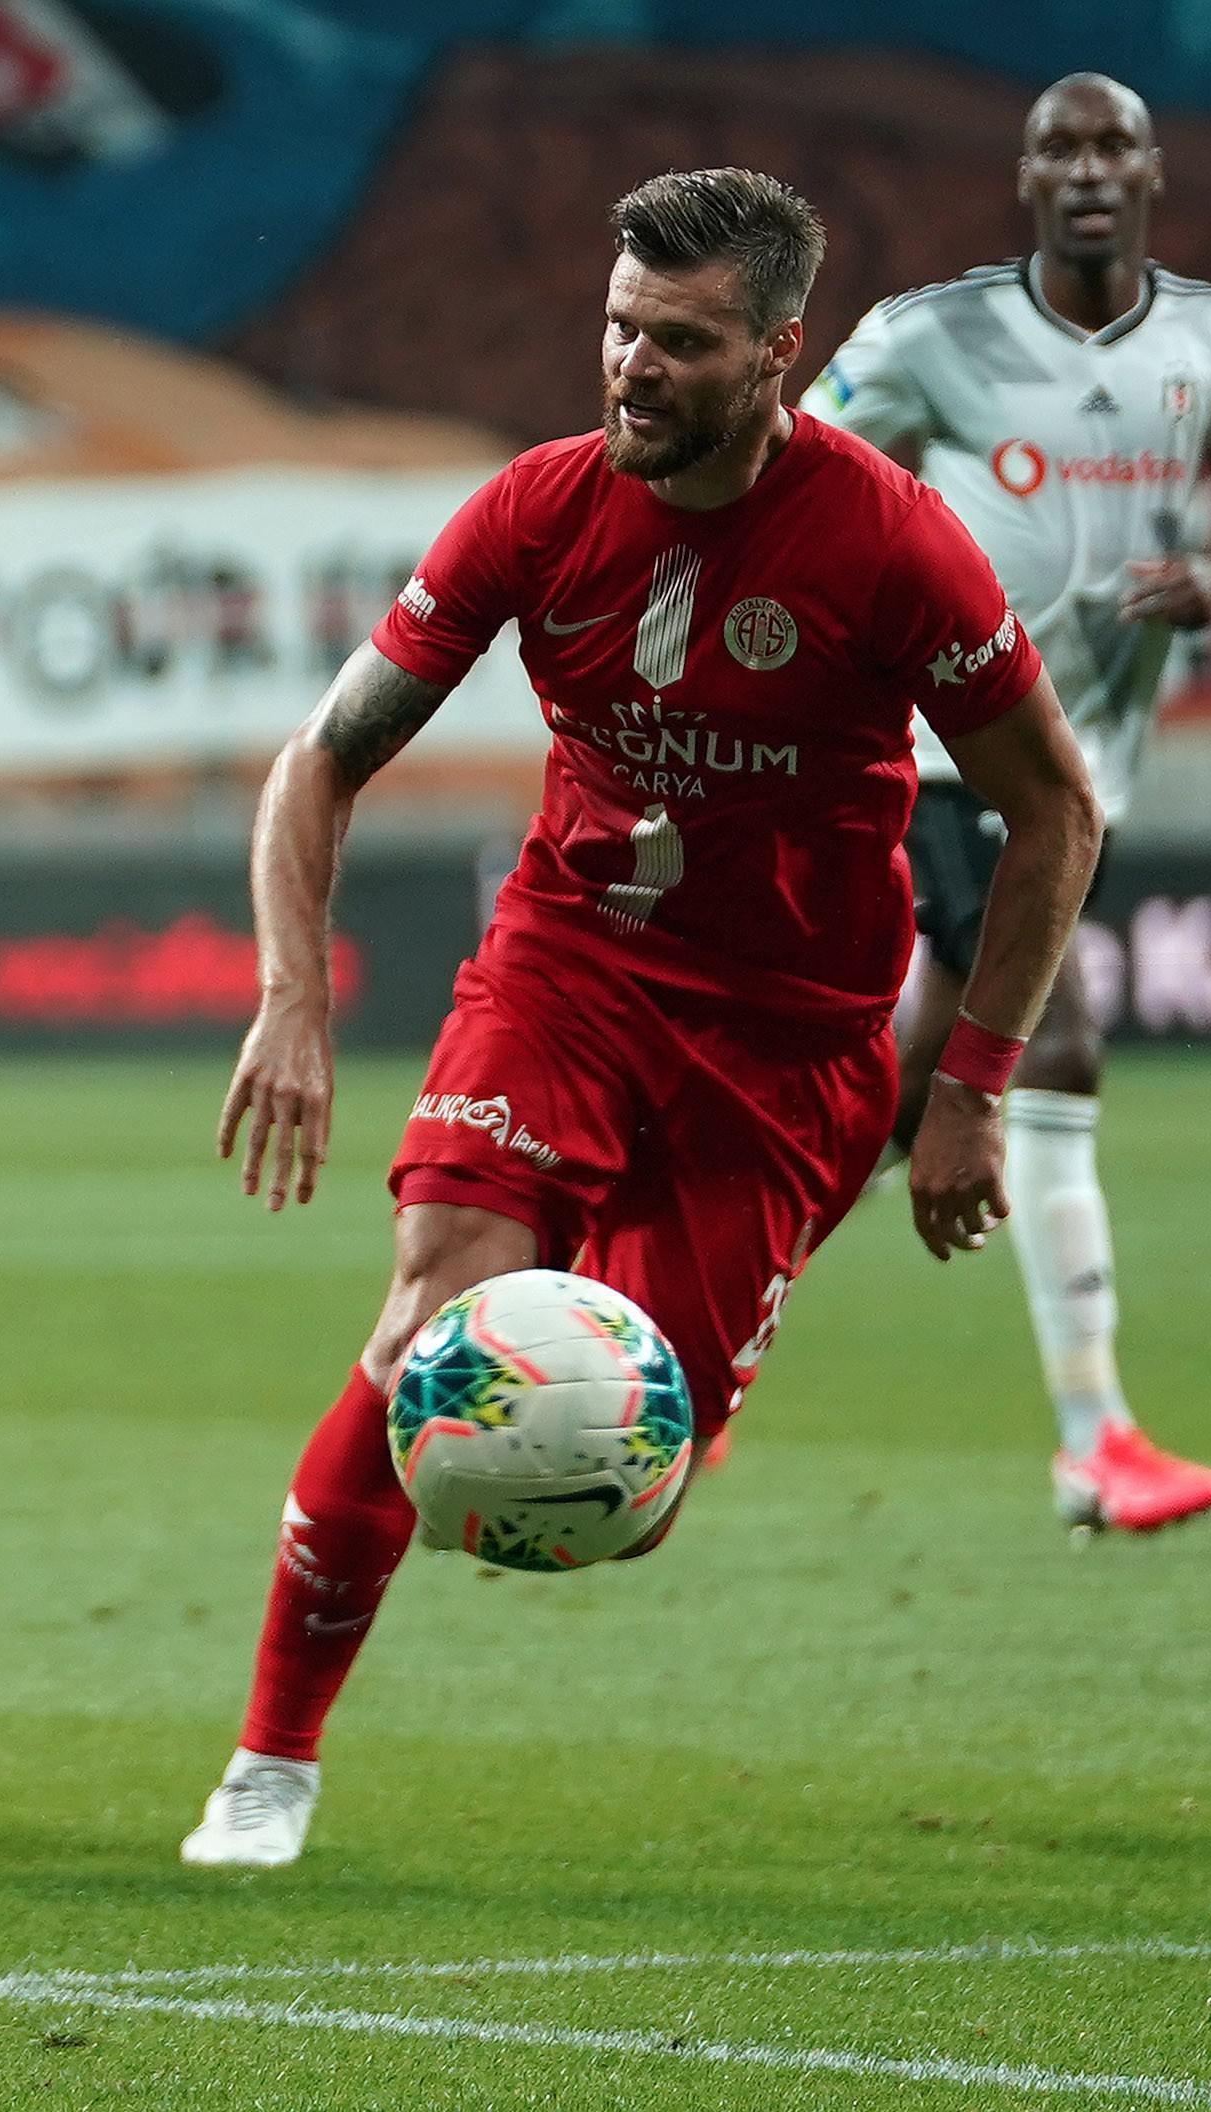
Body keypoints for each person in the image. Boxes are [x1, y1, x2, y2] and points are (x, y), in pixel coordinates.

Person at [182, 169, 1101, 1870]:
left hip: (793, 1049)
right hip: (573, 971)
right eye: (617, 329)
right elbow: (322, 759)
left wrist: (967, 1084)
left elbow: (1058, 812)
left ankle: (546, 1450)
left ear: (775, 354)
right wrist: (292, 999)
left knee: (632, 1488)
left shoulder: (889, 543)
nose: (630, 368)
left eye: (677, 343)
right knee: (429, 1326)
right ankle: (271, 1765)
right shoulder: (534, 511)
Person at [805, 72, 1211, 1532]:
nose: (1088, 169)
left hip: (1091, 776)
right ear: (1027, 179)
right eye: (1060, 149)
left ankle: (695, 1339)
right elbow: (801, 472)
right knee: (1051, 1046)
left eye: (1114, 147)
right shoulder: (932, 338)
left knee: (898, 1096)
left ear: (1151, 172)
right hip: (959, 751)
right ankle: (1097, 1440)